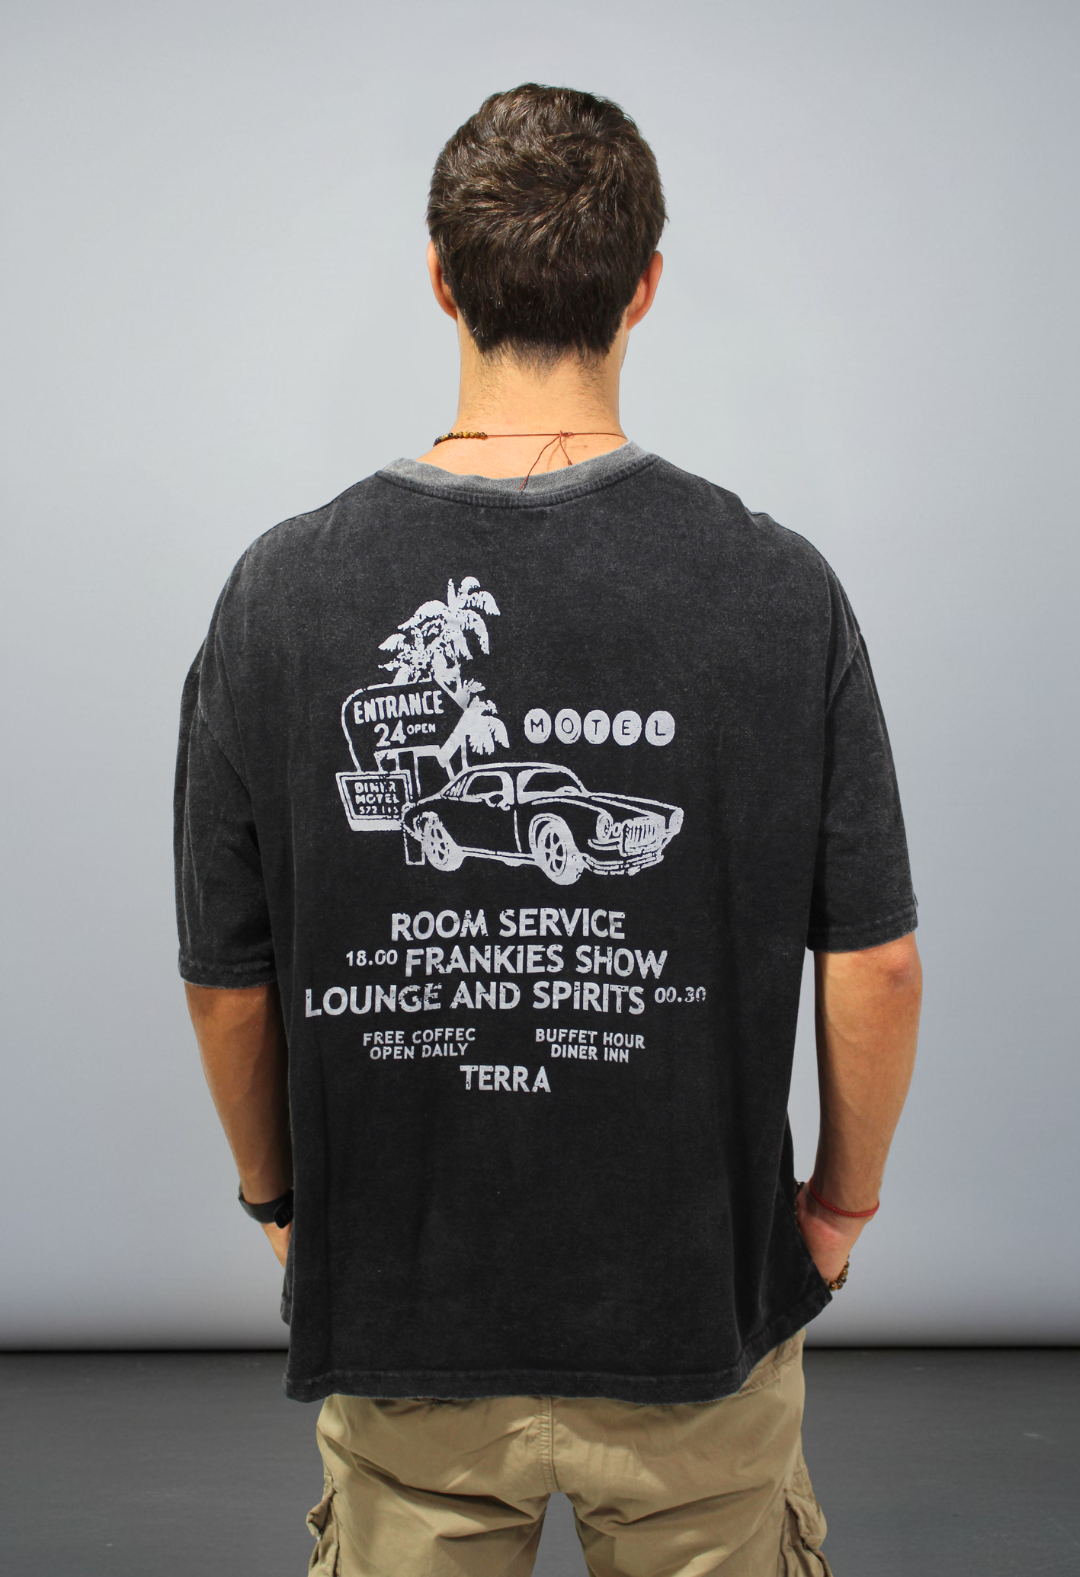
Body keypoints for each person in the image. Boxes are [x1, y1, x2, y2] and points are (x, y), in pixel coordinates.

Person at [176, 83, 921, 1577]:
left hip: (407, 1327)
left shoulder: (277, 593)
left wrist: (280, 1203)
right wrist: (837, 1211)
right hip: (695, 1323)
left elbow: (227, 981)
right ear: (644, 286)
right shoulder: (781, 588)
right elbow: (877, 965)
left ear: (440, 279)